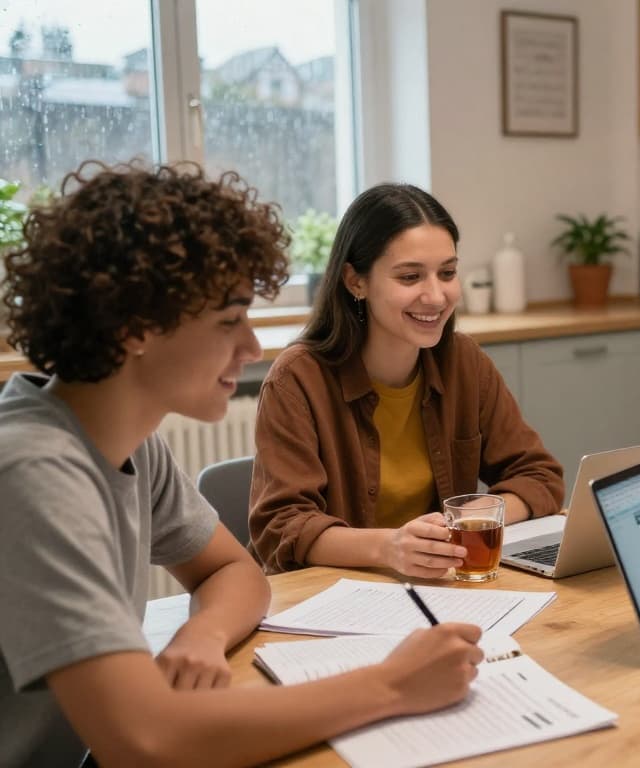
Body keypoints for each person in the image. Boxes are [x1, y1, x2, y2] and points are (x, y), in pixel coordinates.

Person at [0, 163, 484, 767]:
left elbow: (235, 572)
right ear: (133, 328)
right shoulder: (32, 471)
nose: (253, 348)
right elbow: (144, 740)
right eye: (229, 320)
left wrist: (202, 634)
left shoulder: (125, 439)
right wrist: (393, 685)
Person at [250, 183, 563, 575]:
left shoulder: (464, 362)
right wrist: (390, 547)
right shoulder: (297, 380)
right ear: (355, 282)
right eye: (410, 277)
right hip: (332, 600)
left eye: (447, 273)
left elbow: (540, 476)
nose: (436, 296)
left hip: (438, 587)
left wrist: (475, 517)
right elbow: (281, 526)